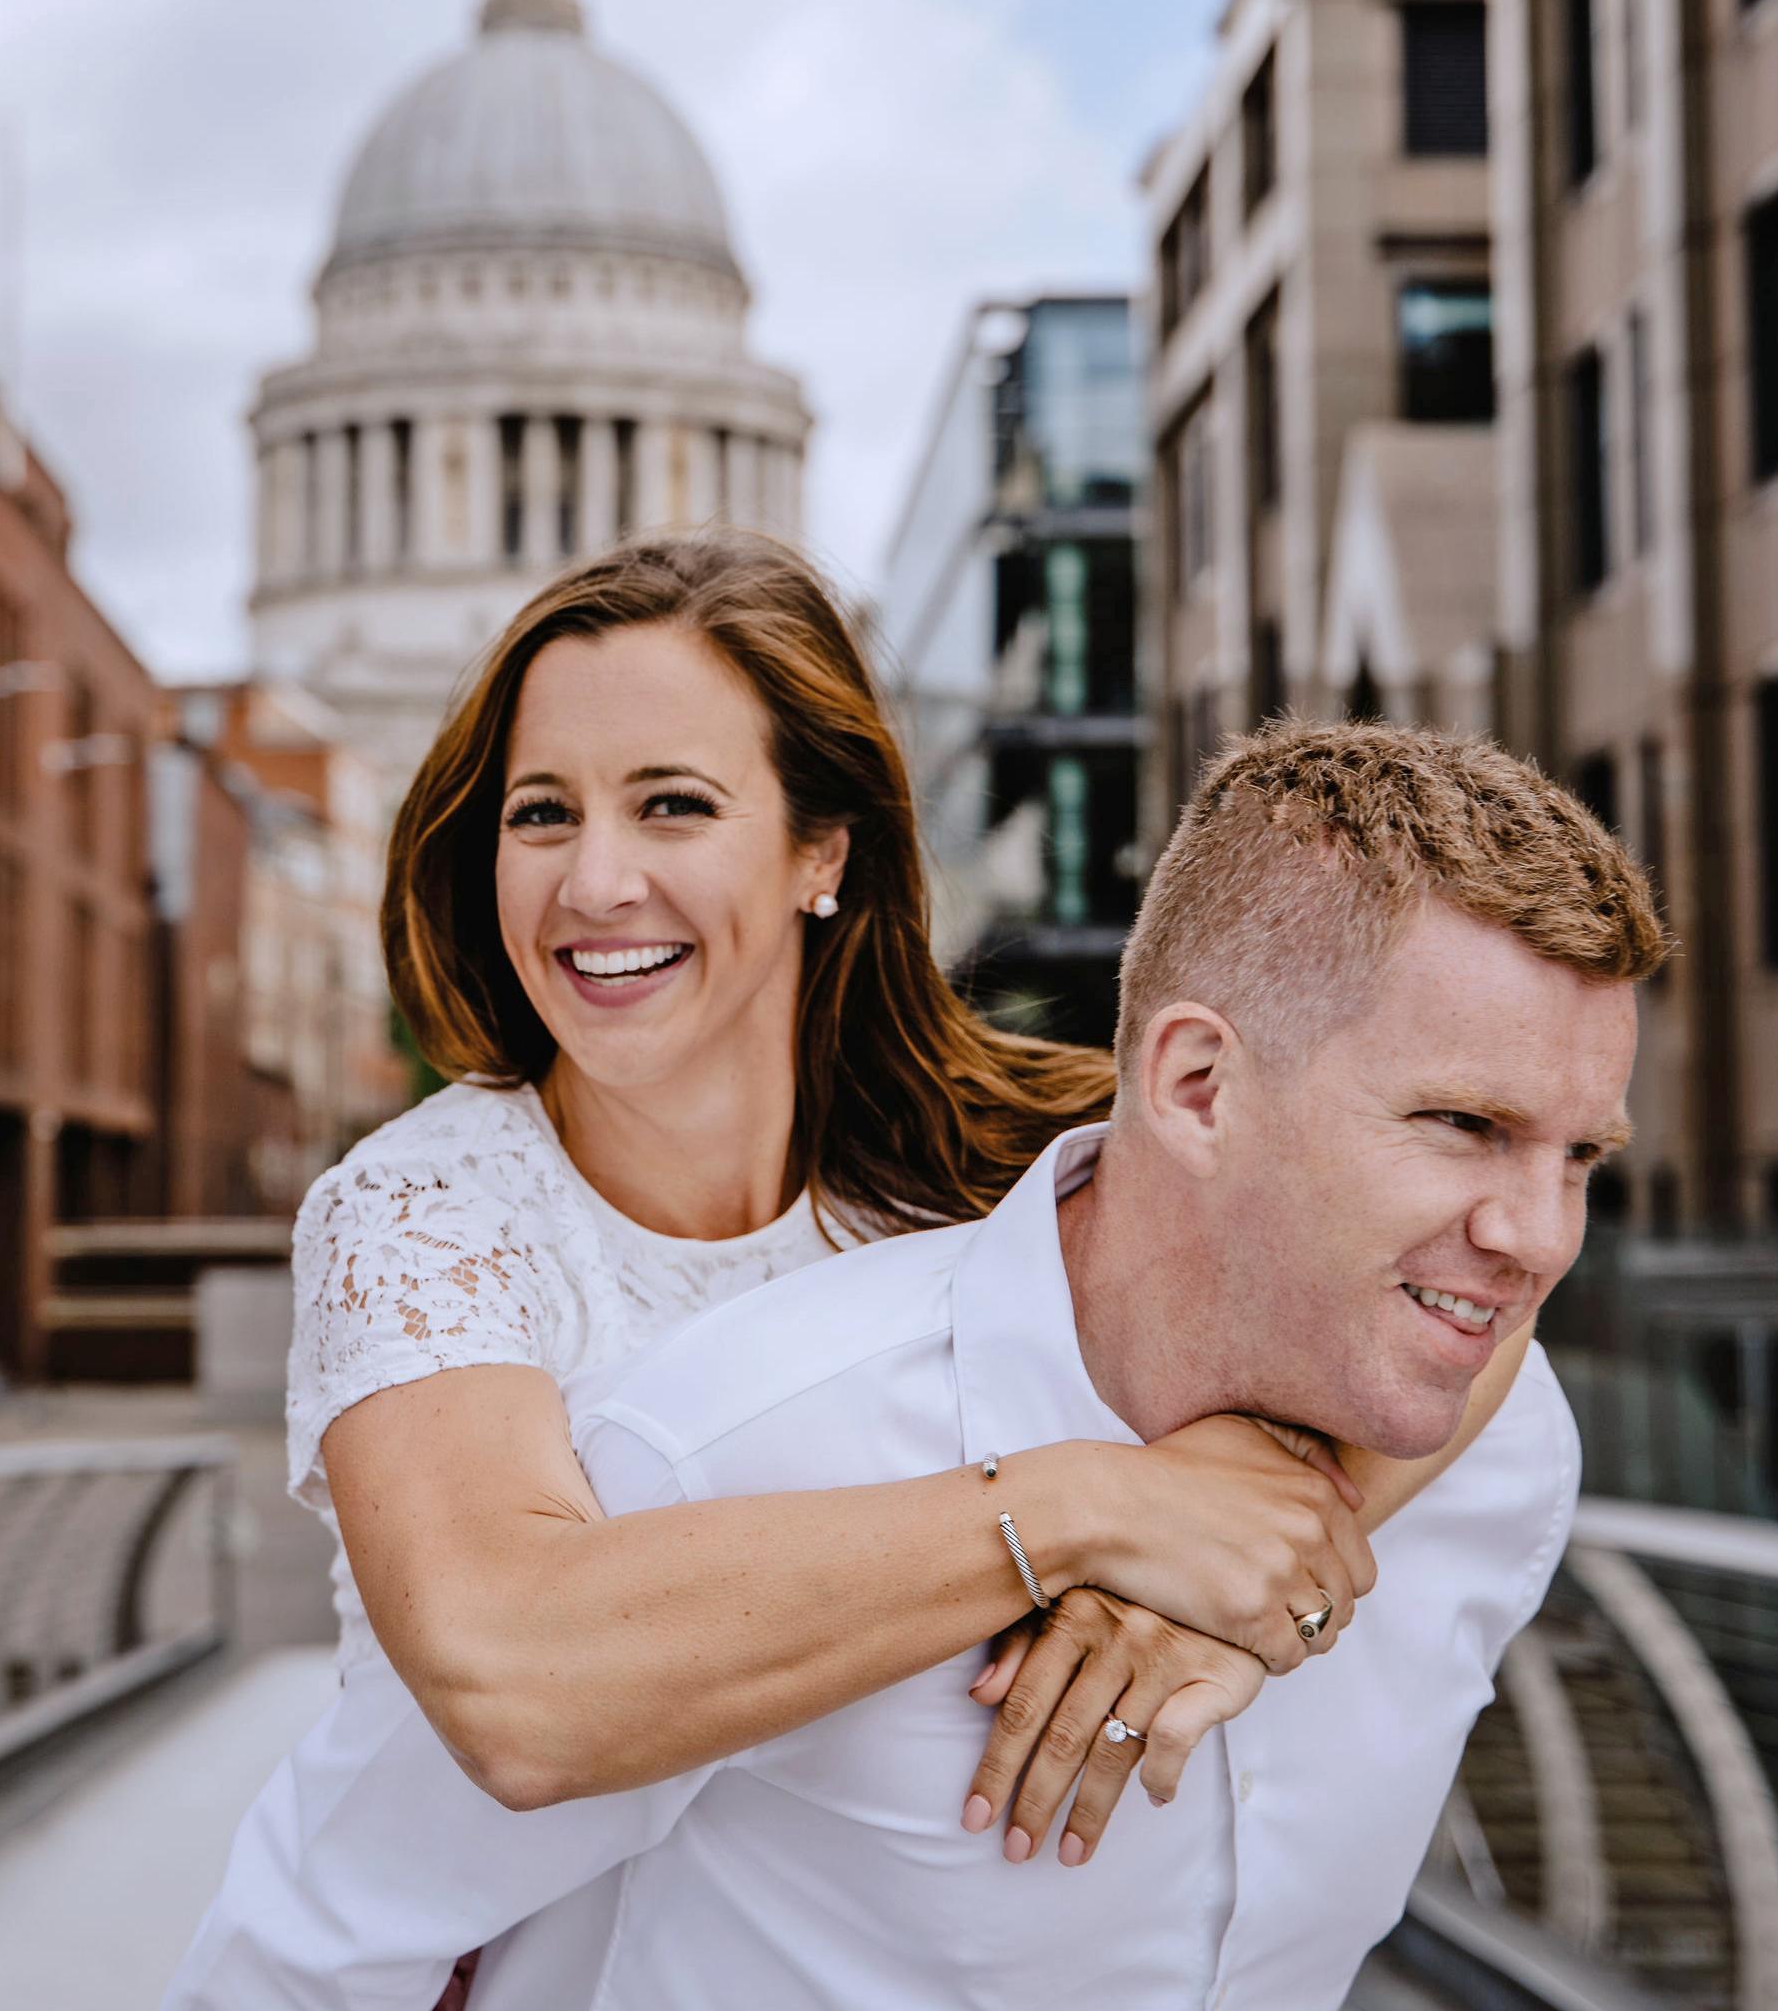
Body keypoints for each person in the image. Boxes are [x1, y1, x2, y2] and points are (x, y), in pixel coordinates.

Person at [167, 715, 1661, 2008]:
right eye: (1462, 1126)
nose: (1538, 1239)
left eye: (1580, 1155)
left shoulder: (1494, 1437)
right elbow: (321, 1944)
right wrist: (1090, 1516)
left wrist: (1248, 1570)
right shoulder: (730, 1450)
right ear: (1196, 1088)